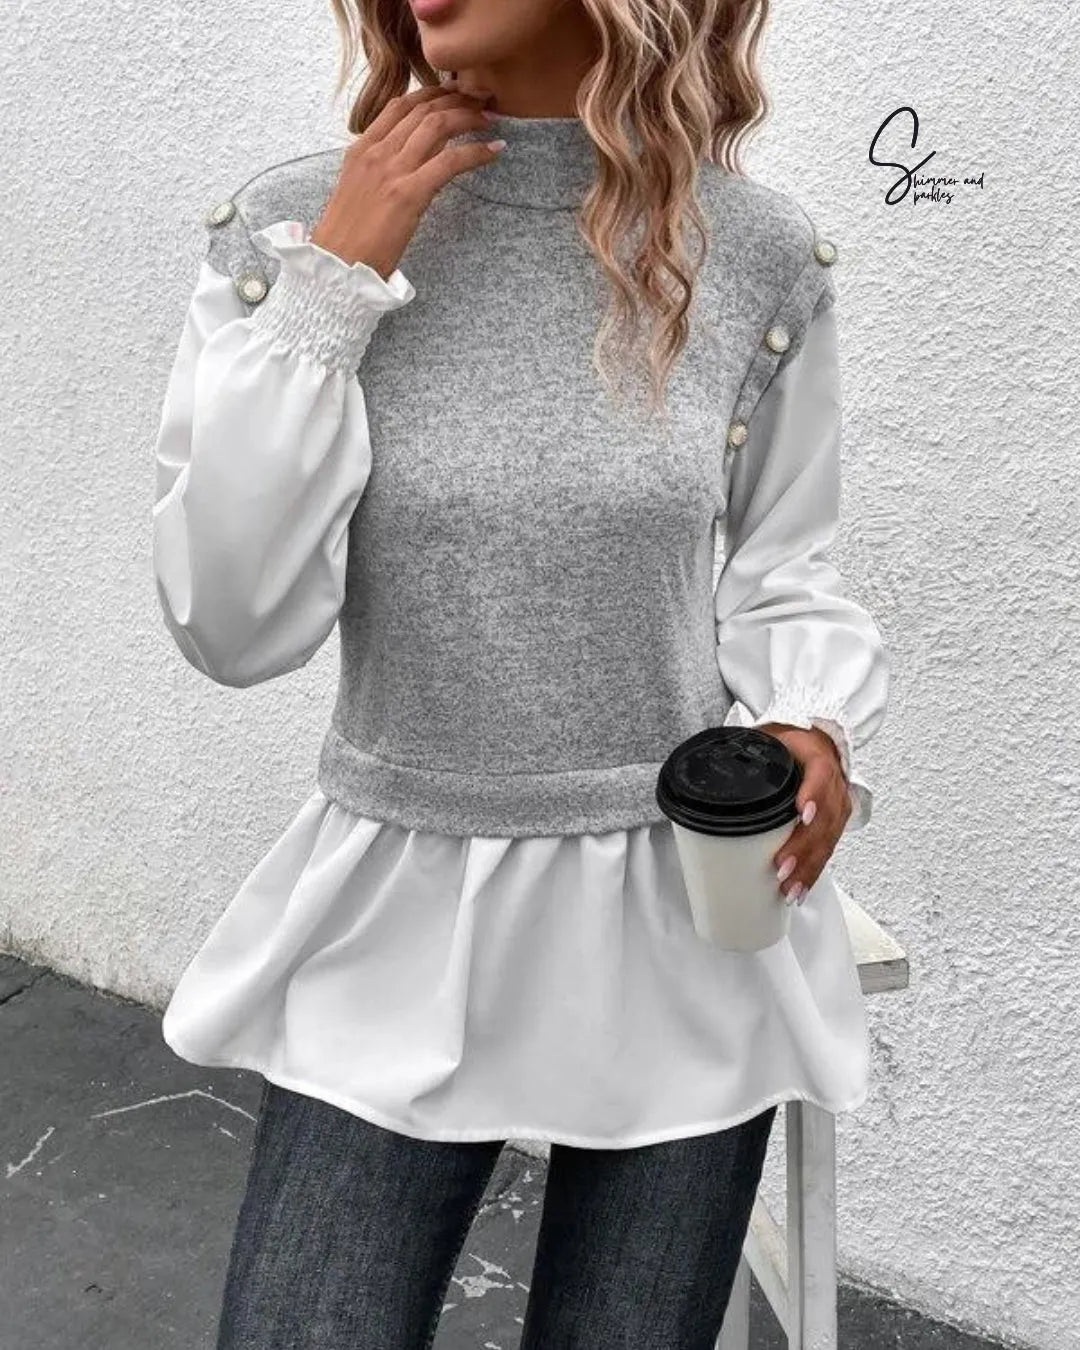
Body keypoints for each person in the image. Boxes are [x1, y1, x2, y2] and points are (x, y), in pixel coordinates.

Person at [150, 0, 890, 1344]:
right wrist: (337, 281)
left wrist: (808, 718)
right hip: (395, 911)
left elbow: (784, 568)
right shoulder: (298, 225)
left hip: (683, 916)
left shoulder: (753, 253)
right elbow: (233, 622)